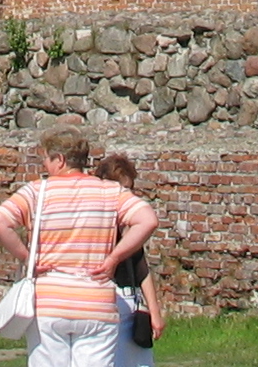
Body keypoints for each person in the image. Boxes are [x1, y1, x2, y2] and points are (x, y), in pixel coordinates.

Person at [0, 130, 158, 367]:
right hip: (96, 303)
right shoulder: (110, 191)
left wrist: (28, 259)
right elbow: (148, 220)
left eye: (46, 159)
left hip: (49, 302)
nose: (45, 165)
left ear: (60, 159)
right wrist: (114, 258)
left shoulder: (36, 192)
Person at [91, 153, 166, 367]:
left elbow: (141, 267)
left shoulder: (130, 226)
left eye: (130, 189)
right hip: (102, 300)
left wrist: (154, 312)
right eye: (123, 189)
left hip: (128, 300)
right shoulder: (94, 222)